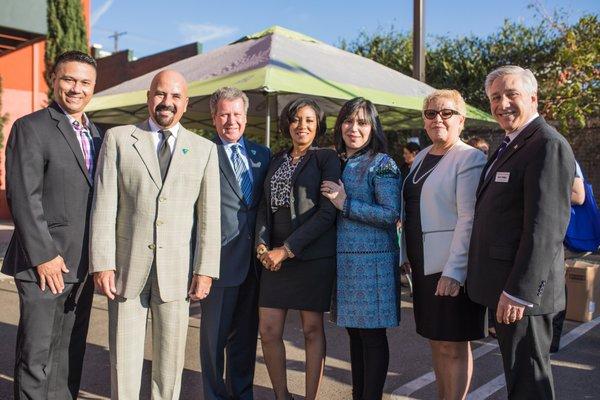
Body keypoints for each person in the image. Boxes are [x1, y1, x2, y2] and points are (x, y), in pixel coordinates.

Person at [90, 70, 221, 399]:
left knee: (170, 362)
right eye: (161, 94)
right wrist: (102, 262)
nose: (167, 102)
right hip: (126, 270)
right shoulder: (119, 139)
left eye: (176, 96)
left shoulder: (204, 150)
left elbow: (208, 217)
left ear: (186, 104)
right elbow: (104, 205)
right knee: (124, 358)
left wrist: (205, 270)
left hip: (176, 274)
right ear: (149, 98)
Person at [466, 66, 575, 400]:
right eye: (495, 97)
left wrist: (519, 291)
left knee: (530, 383)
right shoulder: (512, 143)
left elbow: (546, 229)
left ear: (533, 97)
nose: (503, 104)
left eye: (511, 94)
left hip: (522, 295)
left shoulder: (547, 144)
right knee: (519, 380)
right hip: (506, 290)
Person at [2, 51, 101, 400]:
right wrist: (44, 255)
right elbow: (23, 197)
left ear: (93, 87)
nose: (76, 88)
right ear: (54, 80)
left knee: (70, 354)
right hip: (43, 264)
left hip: (82, 264)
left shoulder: (97, 135)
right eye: (69, 79)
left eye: (84, 82)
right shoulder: (31, 128)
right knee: (37, 354)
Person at [400, 89, 487, 400]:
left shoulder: (470, 157)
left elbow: (469, 219)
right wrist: (404, 253)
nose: (438, 118)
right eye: (431, 113)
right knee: (436, 340)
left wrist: (455, 271)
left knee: (454, 343)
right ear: (424, 121)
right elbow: (409, 209)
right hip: (422, 265)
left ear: (461, 120)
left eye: (446, 113)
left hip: (450, 266)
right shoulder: (421, 156)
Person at [255, 98, 340, 400]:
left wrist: (287, 249)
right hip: (274, 259)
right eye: (296, 119)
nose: (301, 126)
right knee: (268, 329)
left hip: (311, 257)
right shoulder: (276, 159)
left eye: (309, 120)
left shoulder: (327, 158)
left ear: (318, 125)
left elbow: (328, 214)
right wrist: (263, 245)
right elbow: (265, 207)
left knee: (311, 330)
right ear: (287, 124)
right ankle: (282, 396)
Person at [321, 97, 401, 400]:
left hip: (373, 265)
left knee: (371, 337)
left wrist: (345, 204)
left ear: (373, 128)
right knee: (355, 334)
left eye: (362, 122)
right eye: (349, 120)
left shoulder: (383, 163)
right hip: (345, 265)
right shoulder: (337, 160)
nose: (354, 128)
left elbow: (390, 214)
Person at [200, 87, 270, 400]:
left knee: (244, 340)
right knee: (213, 342)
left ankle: (242, 395)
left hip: (255, 267)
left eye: (237, 114)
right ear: (214, 119)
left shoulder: (262, 154)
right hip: (217, 264)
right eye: (224, 114)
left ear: (246, 117)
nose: (231, 121)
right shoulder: (202, 153)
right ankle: (214, 396)